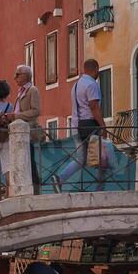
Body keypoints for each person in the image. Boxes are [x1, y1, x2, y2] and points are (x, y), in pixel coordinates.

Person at [55, 58, 108, 191]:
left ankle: (60, 179)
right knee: (103, 158)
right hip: (90, 125)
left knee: (81, 158)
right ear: (96, 69)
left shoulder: (76, 85)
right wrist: (103, 125)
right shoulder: (91, 84)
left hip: (77, 125)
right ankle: (99, 189)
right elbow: (94, 106)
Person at [5, 64, 43, 189]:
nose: (14, 77)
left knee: (30, 161)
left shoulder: (33, 90)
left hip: (29, 131)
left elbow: (36, 111)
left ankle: (35, 189)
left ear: (26, 76)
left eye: (17, 74)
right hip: (19, 132)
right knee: (24, 161)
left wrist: (16, 116)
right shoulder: (21, 92)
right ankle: (24, 187)